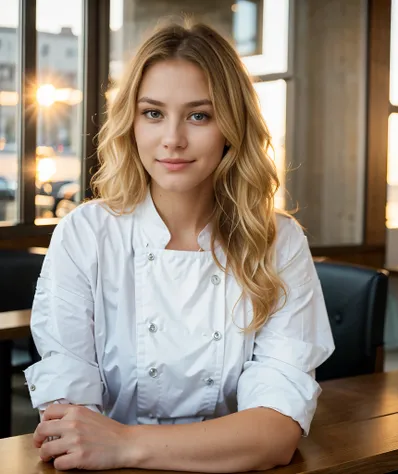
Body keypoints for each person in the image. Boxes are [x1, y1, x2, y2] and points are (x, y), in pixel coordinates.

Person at [24, 22, 335, 472]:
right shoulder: (85, 234)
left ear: (231, 126)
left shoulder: (278, 242)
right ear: (130, 122)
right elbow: (70, 428)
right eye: (152, 113)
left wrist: (125, 443)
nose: (172, 138)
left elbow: (276, 434)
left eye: (199, 115)